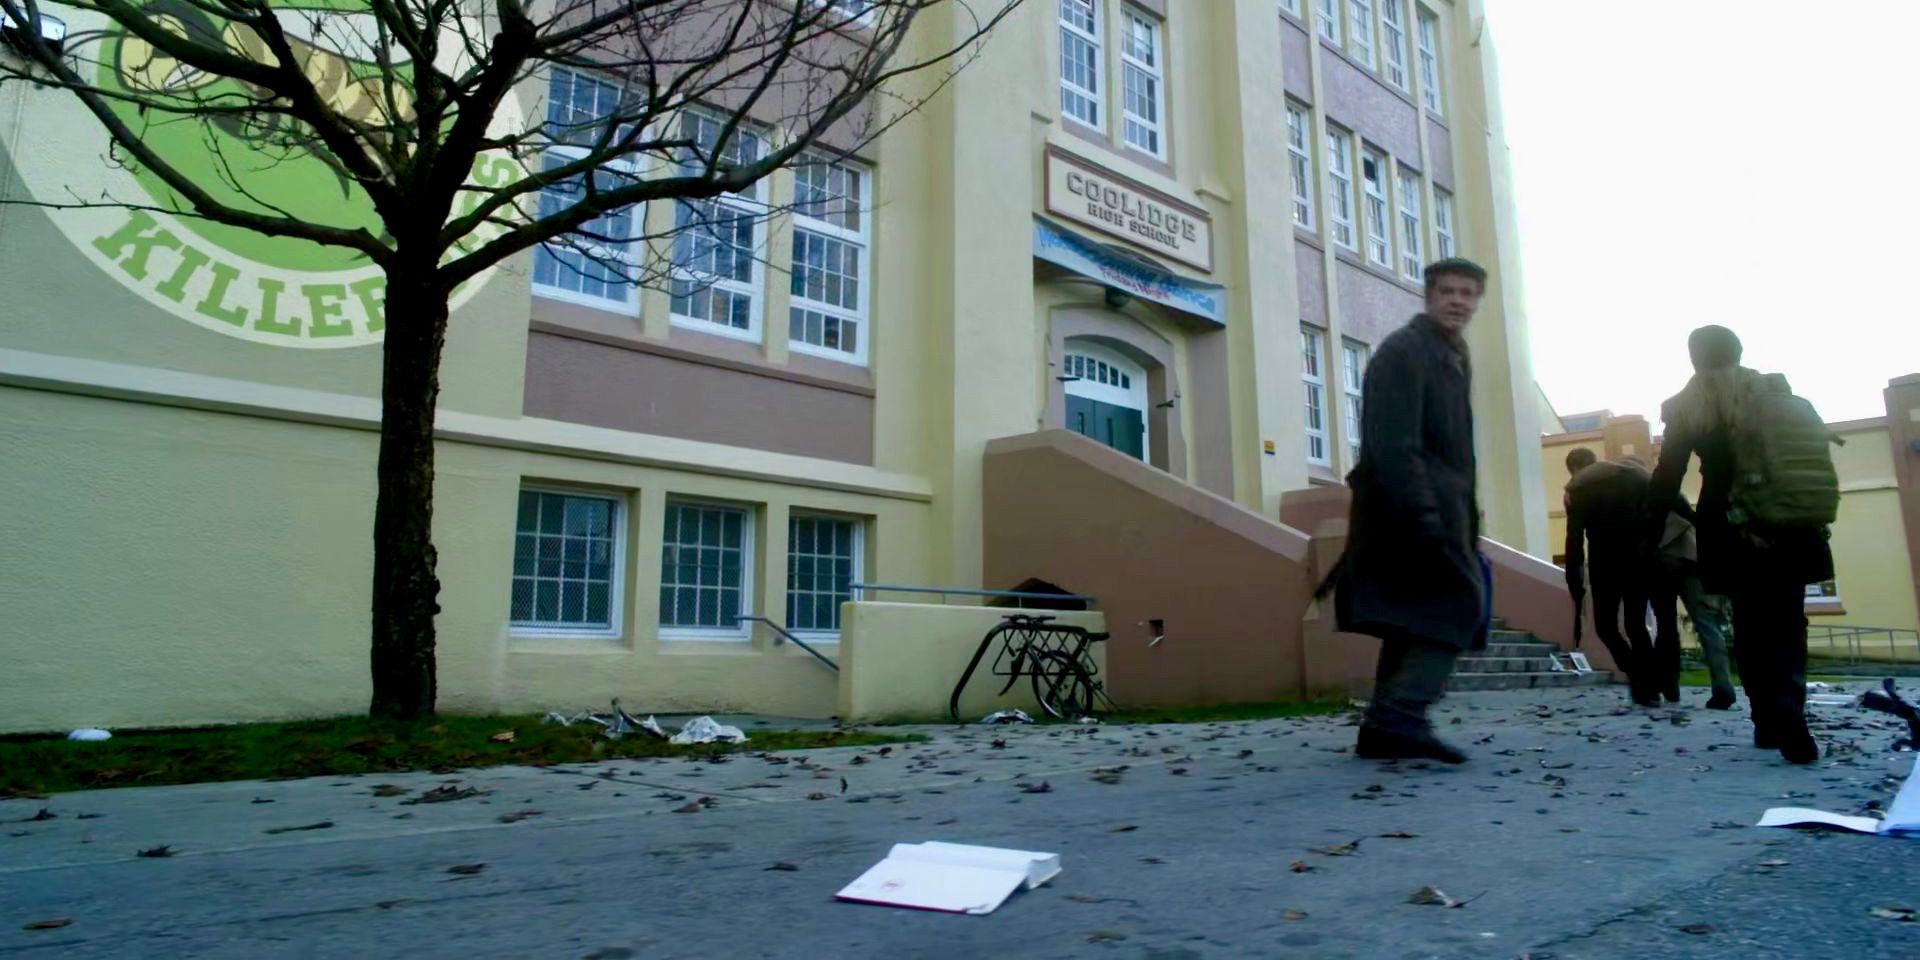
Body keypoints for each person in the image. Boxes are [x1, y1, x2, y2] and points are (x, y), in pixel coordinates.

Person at [1644, 325, 1837, 765]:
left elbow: (1669, 475)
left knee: (1748, 619)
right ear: (1739, 351)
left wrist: (1650, 528)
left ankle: (1768, 718)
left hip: (1728, 523)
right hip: (1789, 521)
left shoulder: (1690, 404)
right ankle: (1791, 703)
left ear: (1694, 357)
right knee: (1789, 619)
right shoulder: (1775, 394)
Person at [1329, 257, 1491, 765]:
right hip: (1408, 513)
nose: (1458, 301)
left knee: (1410, 620)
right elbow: (1393, 445)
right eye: (1448, 291)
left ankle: (1384, 728)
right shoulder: (1405, 352)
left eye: (1467, 293)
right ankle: (1401, 719)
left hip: (1434, 509)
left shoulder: (1449, 354)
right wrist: (1424, 517)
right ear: (1429, 295)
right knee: (1457, 610)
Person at [1562, 450, 1662, 706]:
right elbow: (1655, 515)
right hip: (1638, 560)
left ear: (1574, 468)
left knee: (1606, 627)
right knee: (1636, 625)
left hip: (1604, 565)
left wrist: (1574, 580)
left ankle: (1638, 679)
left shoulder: (1578, 489)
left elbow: (1574, 541)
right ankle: (1649, 686)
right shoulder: (1632, 477)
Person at [1648, 494, 1739, 710]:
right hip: (1693, 564)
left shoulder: (1646, 503)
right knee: (1707, 626)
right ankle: (1723, 686)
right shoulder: (1682, 508)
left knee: (1666, 626)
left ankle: (1669, 685)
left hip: (1662, 565)